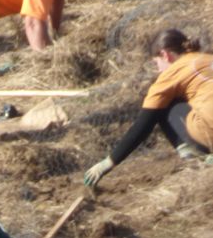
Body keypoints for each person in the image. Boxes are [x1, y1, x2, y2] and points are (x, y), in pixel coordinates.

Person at [84, 29, 213, 188]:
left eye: (157, 63)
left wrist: (109, 161)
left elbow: (144, 124)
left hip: (208, 132)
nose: (158, 70)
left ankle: (197, 156)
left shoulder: (172, 73)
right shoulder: (207, 58)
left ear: (165, 55)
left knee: (164, 105)